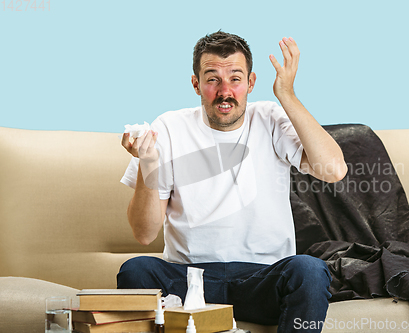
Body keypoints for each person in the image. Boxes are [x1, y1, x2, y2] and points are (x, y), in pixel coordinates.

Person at [117, 31, 347, 332]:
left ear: (251, 83)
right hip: (189, 282)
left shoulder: (269, 117)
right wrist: (148, 165)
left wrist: (287, 94)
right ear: (196, 84)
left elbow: (334, 170)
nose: (225, 91)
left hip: (263, 280)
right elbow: (144, 234)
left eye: (235, 79)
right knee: (135, 270)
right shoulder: (169, 128)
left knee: (310, 270)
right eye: (212, 79)